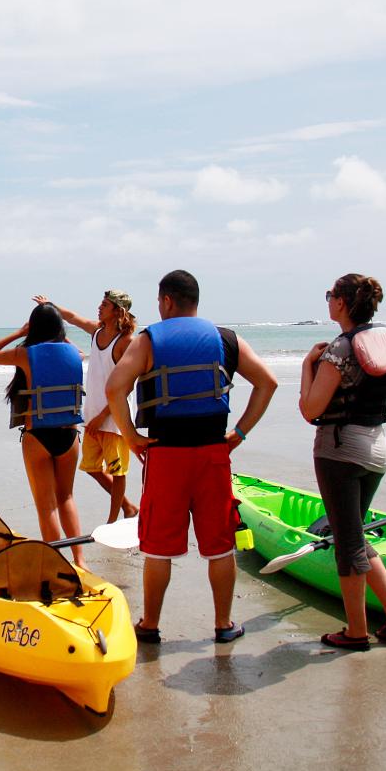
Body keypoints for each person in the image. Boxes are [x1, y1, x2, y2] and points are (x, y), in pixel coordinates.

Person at [106, 270, 278, 644]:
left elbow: (114, 387)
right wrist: (240, 433)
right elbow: (268, 383)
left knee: (157, 549)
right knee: (219, 546)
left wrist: (131, 436)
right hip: (214, 453)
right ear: (194, 300)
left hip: (166, 455)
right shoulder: (226, 338)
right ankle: (223, 624)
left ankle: (149, 625)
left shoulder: (149, 339)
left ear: (167, 301)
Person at [298, 273, 386, 650]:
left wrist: (306, 367)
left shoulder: (340, 349)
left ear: (342, 303)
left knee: (347, 546)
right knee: (357, 536)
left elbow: (311, 409)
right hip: (377, 448)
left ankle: (356, 632)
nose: (328, 300)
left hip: (339, 451)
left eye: (330, 295)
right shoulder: (380, 342)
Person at [0, 302, 87, 568]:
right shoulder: (75, 353)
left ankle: (55, 562)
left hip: (37, 437)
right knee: (67, 498)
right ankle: (80, 560)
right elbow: (75, 349)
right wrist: (62, 334)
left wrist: (19, 333)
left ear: (34, 327)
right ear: (60, 328)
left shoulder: (26, 354)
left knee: (46, 505)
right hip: (69, 437)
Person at [33, 291, 140, 523]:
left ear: (118, 311)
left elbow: (126, 386)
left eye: (105, 305)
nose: (99, 308)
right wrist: (49, 306)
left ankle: (113, 520)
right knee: (91, 467)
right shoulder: (97, 331)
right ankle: (129, 507)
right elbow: (72, 317)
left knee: (117, 471)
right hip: (92, 415)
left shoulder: (126, 342)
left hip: (114, 419)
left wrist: (103, 416)